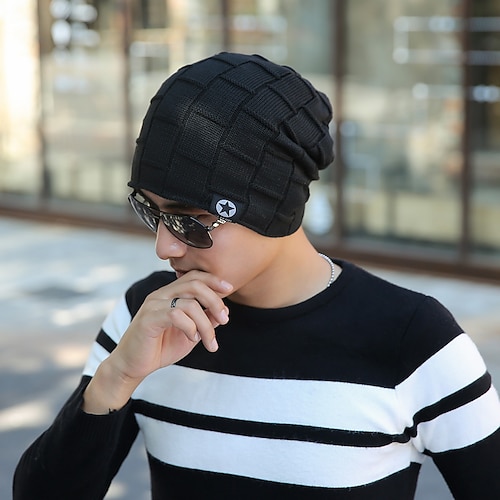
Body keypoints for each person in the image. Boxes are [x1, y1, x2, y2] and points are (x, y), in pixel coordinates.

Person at [13, 52, 500, 499]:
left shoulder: (412, 339)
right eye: (151, 212)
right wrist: (117, 377)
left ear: (273, 208)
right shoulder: (149, 319)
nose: (164, 246)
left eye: (190, 219)